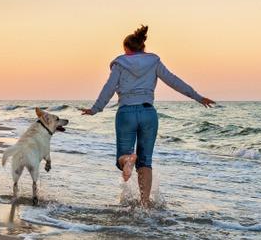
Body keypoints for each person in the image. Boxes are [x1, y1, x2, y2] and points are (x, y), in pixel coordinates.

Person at [81, 25, 215, 207]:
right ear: (142, 47)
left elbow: (109, 88)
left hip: (126, 113)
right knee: (145, 161)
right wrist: (198, 97)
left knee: (123, 156)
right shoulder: (154, 62)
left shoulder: (120, 64)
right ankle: (145, 204)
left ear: (126, 49)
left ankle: (127, 160)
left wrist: (95, 108)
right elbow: (174, 81)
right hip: (148, 113)